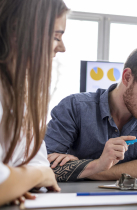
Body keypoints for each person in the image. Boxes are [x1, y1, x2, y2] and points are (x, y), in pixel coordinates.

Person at [44, 44, 137, 181]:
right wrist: (98, 164)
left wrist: (83, 167)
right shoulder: (74, 107)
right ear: (127, 77)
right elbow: (44, 167)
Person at [0, 0, 68, 206]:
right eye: (56, 37)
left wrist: (17, 181)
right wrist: (28, 177)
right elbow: (40, 171)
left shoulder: (23, 94)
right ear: (17, 33)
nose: (62, 48)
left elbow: (36, 161)